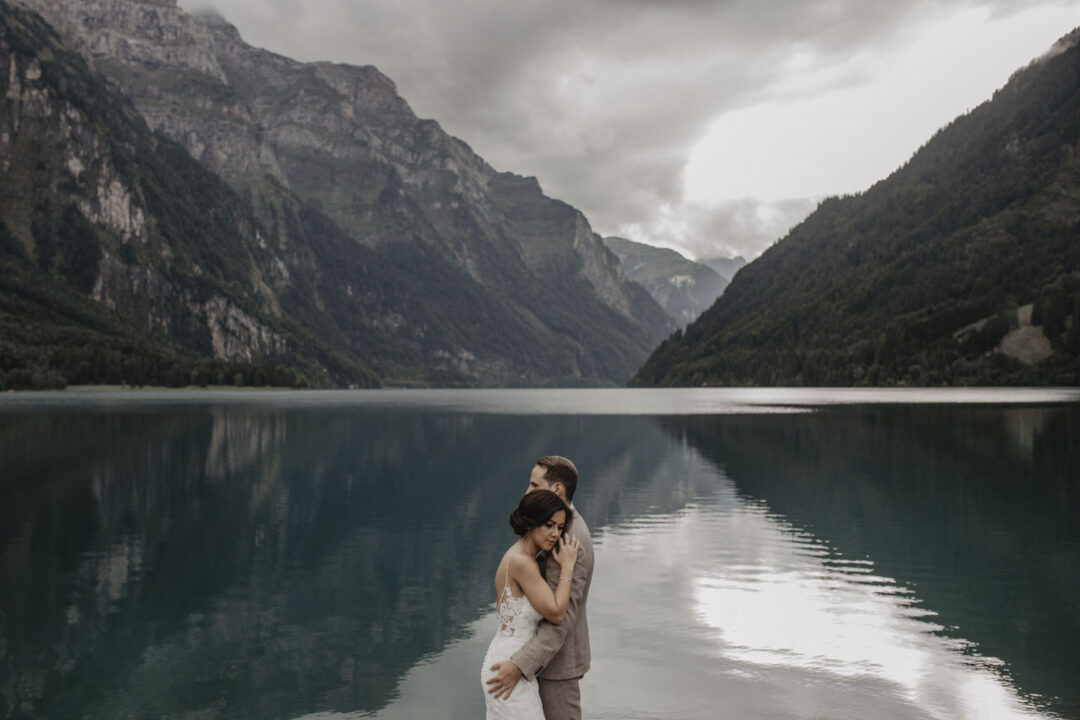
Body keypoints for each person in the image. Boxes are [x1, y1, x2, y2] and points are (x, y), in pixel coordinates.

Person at [486, 456, 595, 720]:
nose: (527, 491)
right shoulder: (551, 532)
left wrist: (520, 665)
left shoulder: (570, 540)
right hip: (527, 665)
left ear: (557, 489)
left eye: (534, 485)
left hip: (555, 669)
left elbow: (561, 619)